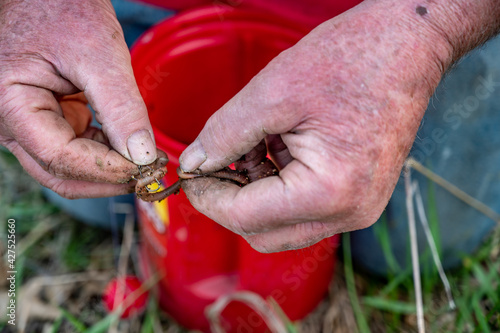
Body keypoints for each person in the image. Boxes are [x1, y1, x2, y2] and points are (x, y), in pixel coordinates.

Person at [1, 0, 499, 258]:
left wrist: (429, 32)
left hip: (389, 21)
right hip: (126, 13)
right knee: (89, 191)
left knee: (423, 242)